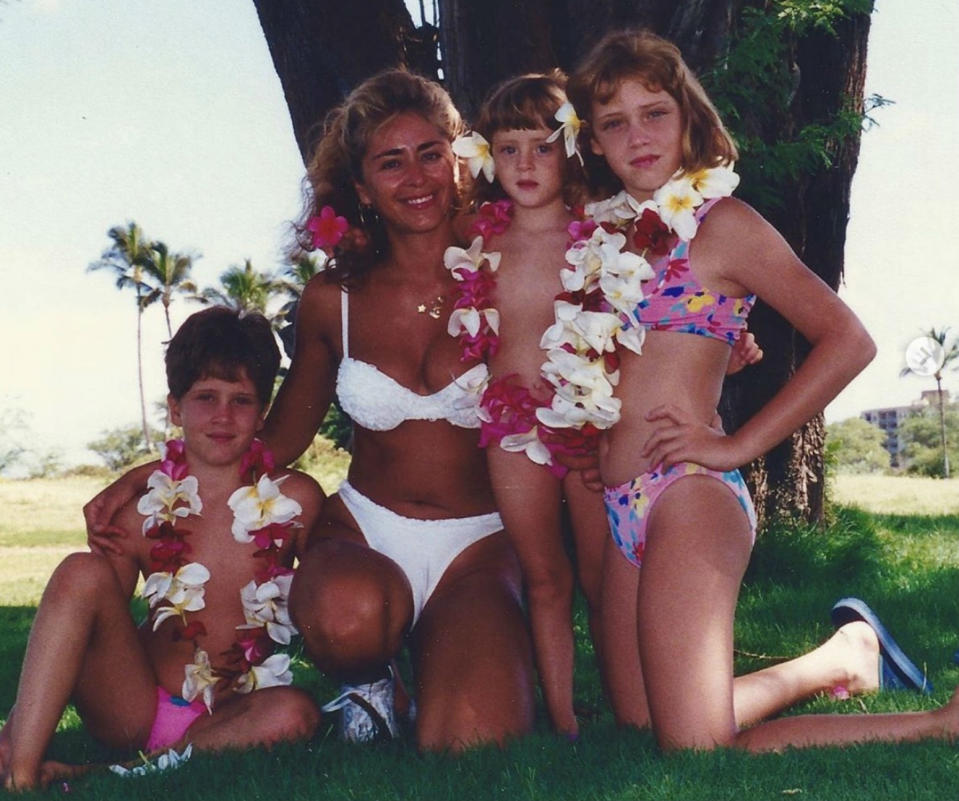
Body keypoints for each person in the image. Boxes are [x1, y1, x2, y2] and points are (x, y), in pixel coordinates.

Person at [557, 28, 959, 751]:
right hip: (620, 501)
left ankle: (937, 722)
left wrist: (736, 442)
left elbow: (847, 339)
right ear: (592, 142)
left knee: (695, 745)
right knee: (640, 718)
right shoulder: (604, 236)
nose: (637, 135)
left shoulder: (725, 226)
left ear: (688, 119)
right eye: (613, 122)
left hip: (688, 492)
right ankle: (842, 657)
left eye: (655, 113)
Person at [1, 307, 323, 790]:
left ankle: (107, 775)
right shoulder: (140, 511)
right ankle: (21, 772)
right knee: (79, 571)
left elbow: (329, 594)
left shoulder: (295, 501)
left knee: (296, 712)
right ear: (175, 409)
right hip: (133, 708)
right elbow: (82, 623)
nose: (222, 415)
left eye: (241, 400)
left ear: (262, 414)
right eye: (205, 397)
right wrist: (14, 724)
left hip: (237, 709)